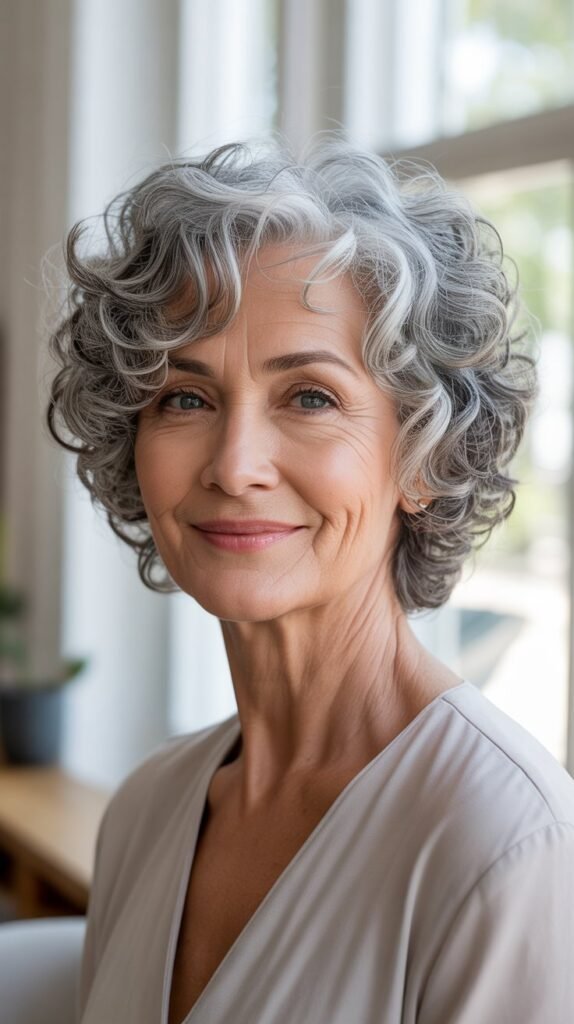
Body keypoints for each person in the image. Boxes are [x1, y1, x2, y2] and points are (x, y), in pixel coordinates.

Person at [47, 138, 574, 1024]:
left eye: (310, 397)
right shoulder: (145, 811)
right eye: (185, 397)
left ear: (423, 457)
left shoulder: (513, 848)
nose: (236, 464)